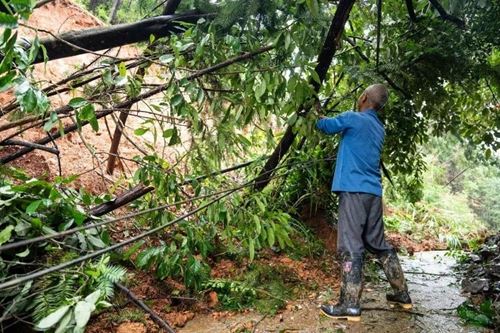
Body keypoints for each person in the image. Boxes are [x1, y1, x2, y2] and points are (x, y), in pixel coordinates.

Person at [316, 84, 412, 322]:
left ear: (363, 97)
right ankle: (402, 294)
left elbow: (324, 125)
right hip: (373, 194)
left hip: (354, 191)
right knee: (378, 244)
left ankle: (349, 305)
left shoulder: (353, 119)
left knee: (350, 245)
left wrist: (315, 110)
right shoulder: (379, 128)